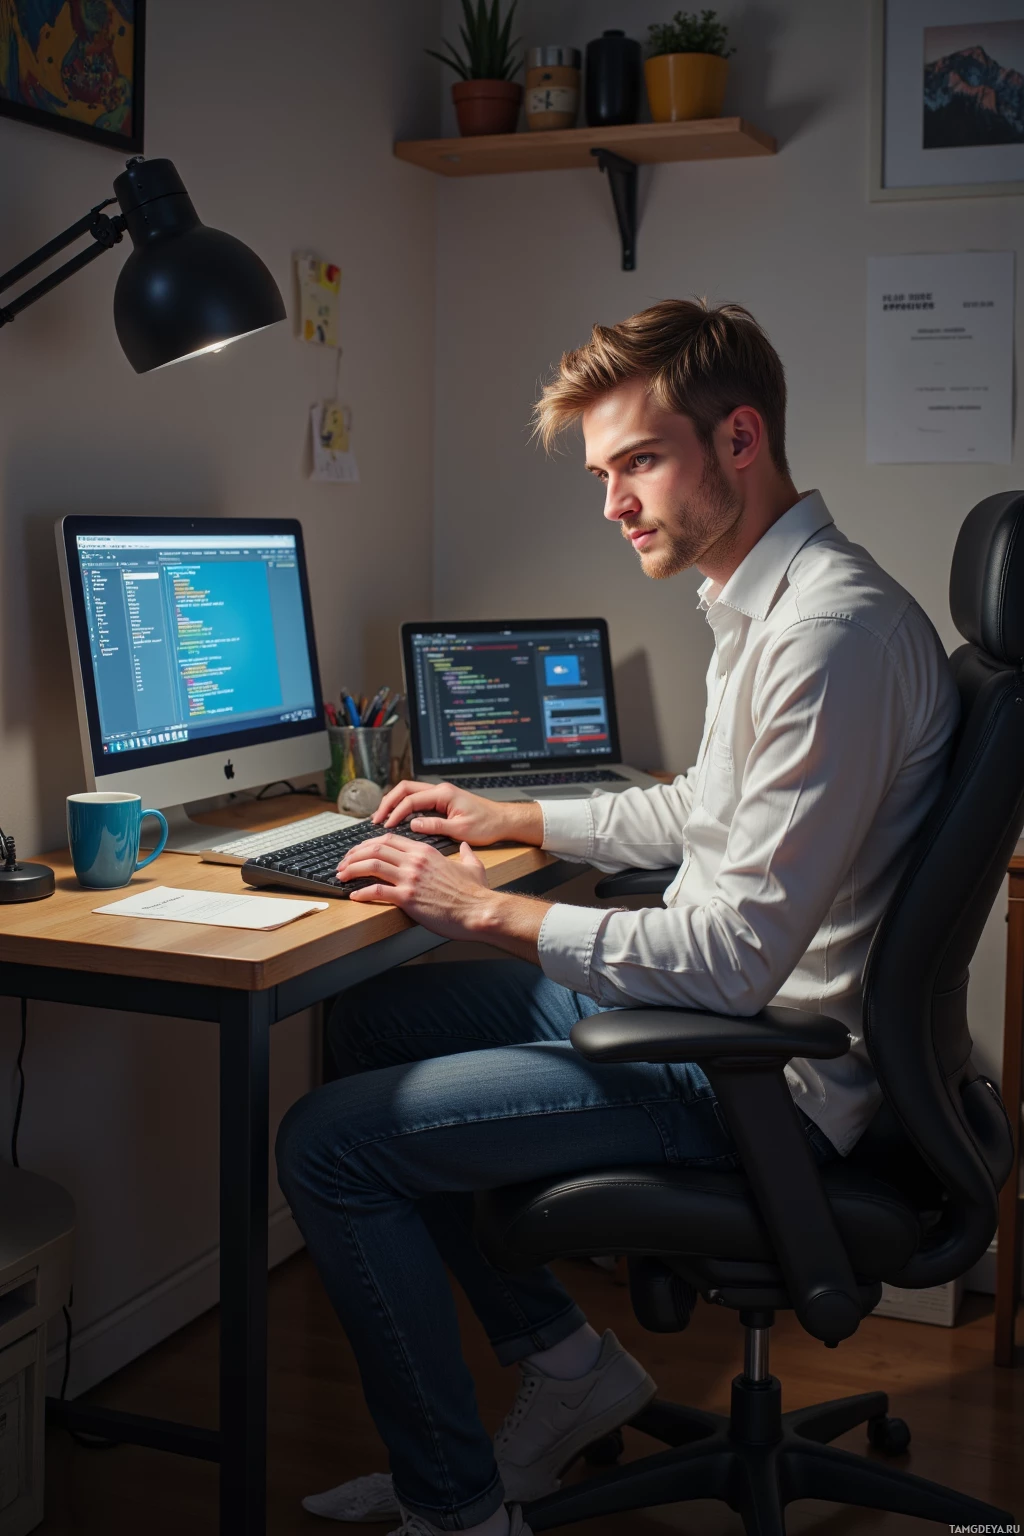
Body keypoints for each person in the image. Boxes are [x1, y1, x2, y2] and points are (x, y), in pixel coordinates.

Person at [276, 300, 959, 1536]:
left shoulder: (828, 636)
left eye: (636, 462)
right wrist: (519, 823)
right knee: (373, 1023)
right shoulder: (765, 600)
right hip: (710, 1016)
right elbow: (709, 806)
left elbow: (731, 960)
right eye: (603, 473)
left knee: (329, 1144)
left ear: (738, 439)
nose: (613, 505)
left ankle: (455, 1512)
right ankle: (572, 1369)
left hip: (755, 1072)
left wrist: (480, 909)